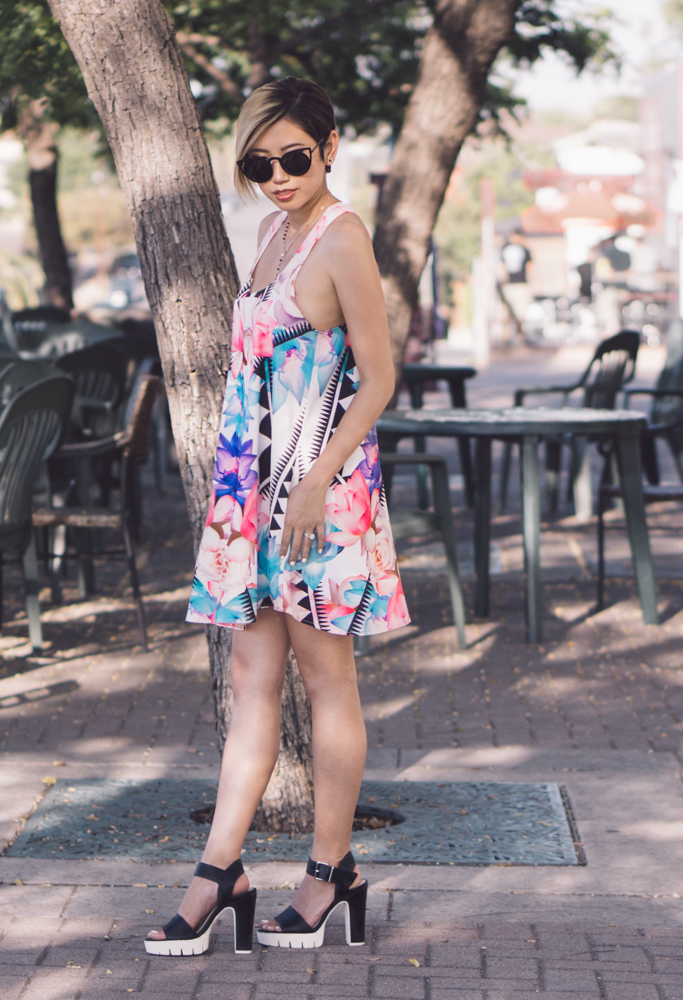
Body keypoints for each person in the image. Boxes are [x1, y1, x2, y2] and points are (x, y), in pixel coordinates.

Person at [145, 77, 409, 956]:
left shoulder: (344, 240)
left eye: (294, 158)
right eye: (261, 163)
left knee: (328, 680)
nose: (278, 176)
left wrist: (311, 483)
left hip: (316, 493)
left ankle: (331, 872)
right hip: (253, 494)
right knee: (251, 681)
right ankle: (223, 869)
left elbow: (378, 379)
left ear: (331, 147)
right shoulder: (269, 232)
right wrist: (251, 497)